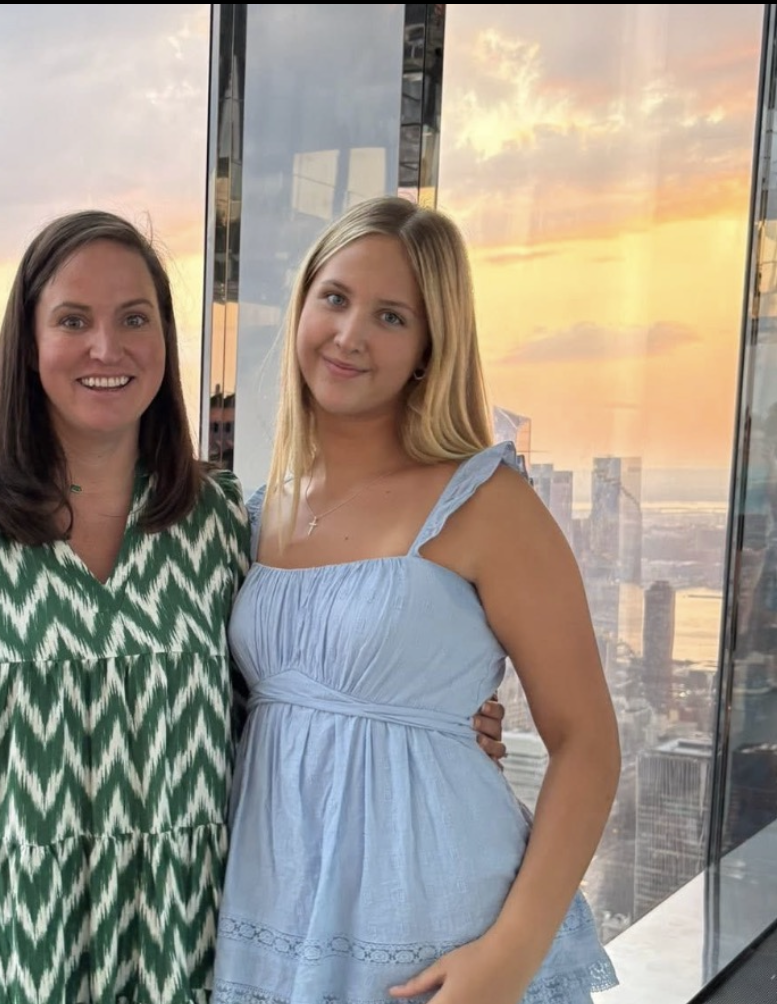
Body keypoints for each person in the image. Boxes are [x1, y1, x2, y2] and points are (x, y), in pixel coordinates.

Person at [0, 208, 508, 1004]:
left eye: (134, 319)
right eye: (73, 319)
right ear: (28, 340)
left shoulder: (214, 519)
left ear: (165, 342)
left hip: (192, 962)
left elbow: (277, 715)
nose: (106, 348)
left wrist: (444, 719)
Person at [211, 197, 621, 1004]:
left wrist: (508, 956)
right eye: (334, 298)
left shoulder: (485, 502)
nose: (350, 334)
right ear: (301, 307)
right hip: (272, 920)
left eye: (391, 316)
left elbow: (587, 741)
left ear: (431, 348)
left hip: (438, 927)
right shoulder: (258, 512)